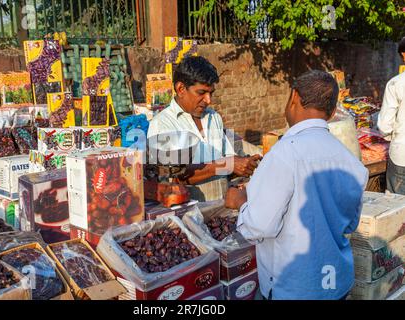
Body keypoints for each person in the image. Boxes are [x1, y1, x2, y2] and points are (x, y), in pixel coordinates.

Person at [225, 70, 369, 300]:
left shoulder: (285, 153)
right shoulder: (351, 161)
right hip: (337, 284)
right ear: (331, 113)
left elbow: (260, 227)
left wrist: (240, 202)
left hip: (296, 287)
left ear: (294, 97)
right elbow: (350, 224)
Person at [147, 56, 261, 201]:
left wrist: (243, 166)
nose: (208, 100)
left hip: (220, 207)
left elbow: (228, 164)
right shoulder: (162, 124)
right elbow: (172, 178)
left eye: (211, 93)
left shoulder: (214, 118)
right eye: (201, 93)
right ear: (181, 89)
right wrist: (227, 164)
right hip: (189, 211)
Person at [377, 37, 405, 195]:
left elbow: (385, 126)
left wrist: (390, 136)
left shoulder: (396, 83)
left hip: (402, 155)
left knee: (398, 210)